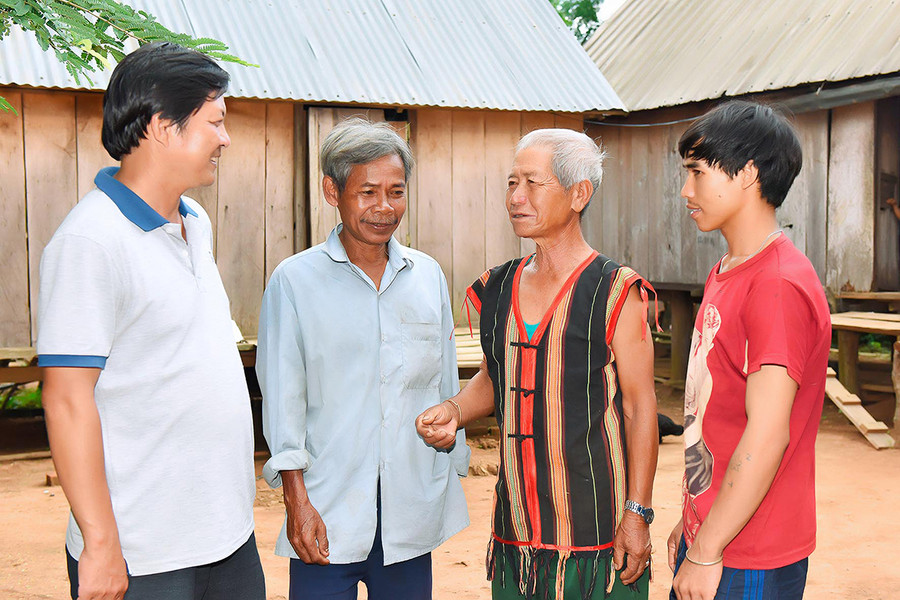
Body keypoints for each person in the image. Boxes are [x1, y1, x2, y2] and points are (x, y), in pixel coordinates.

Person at [37, 42, 263, 600]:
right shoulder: (90, 242)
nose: (226, 139)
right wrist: (100, 543)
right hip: (145, 553)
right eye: (215, 122)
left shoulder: (194, 220)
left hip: (226, 536)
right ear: (164, 127)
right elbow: (66, 399)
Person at [417, 129, 659, 600]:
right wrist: (454, 410)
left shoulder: (614, 291)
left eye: (532, 182)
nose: (515, 197)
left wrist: (637, 513)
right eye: (512, 182)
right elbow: (495, 377)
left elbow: (639, 407)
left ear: (579, 194)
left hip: (597, 535)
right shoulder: (498, 286)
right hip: (517, 533)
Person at [257, 118, 469, 600]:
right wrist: (296, 500)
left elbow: (445, 382)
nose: (384, 208)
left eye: (396, 192)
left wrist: (452, 443)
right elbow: (284, 400)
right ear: (332, 191)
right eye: (368, 192)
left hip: (409, 508)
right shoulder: (295, 281)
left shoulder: (427, 276)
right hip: (326, 510)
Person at [668, 101, 831, 600]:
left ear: (748, 174)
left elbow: (767, 433)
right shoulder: (729, 271)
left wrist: (706, 548)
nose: (686, 190)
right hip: (720, 533)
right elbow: (717, 416)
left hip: (750, 551)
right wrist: (693, 521)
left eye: (697, 172)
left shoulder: (776, 285)